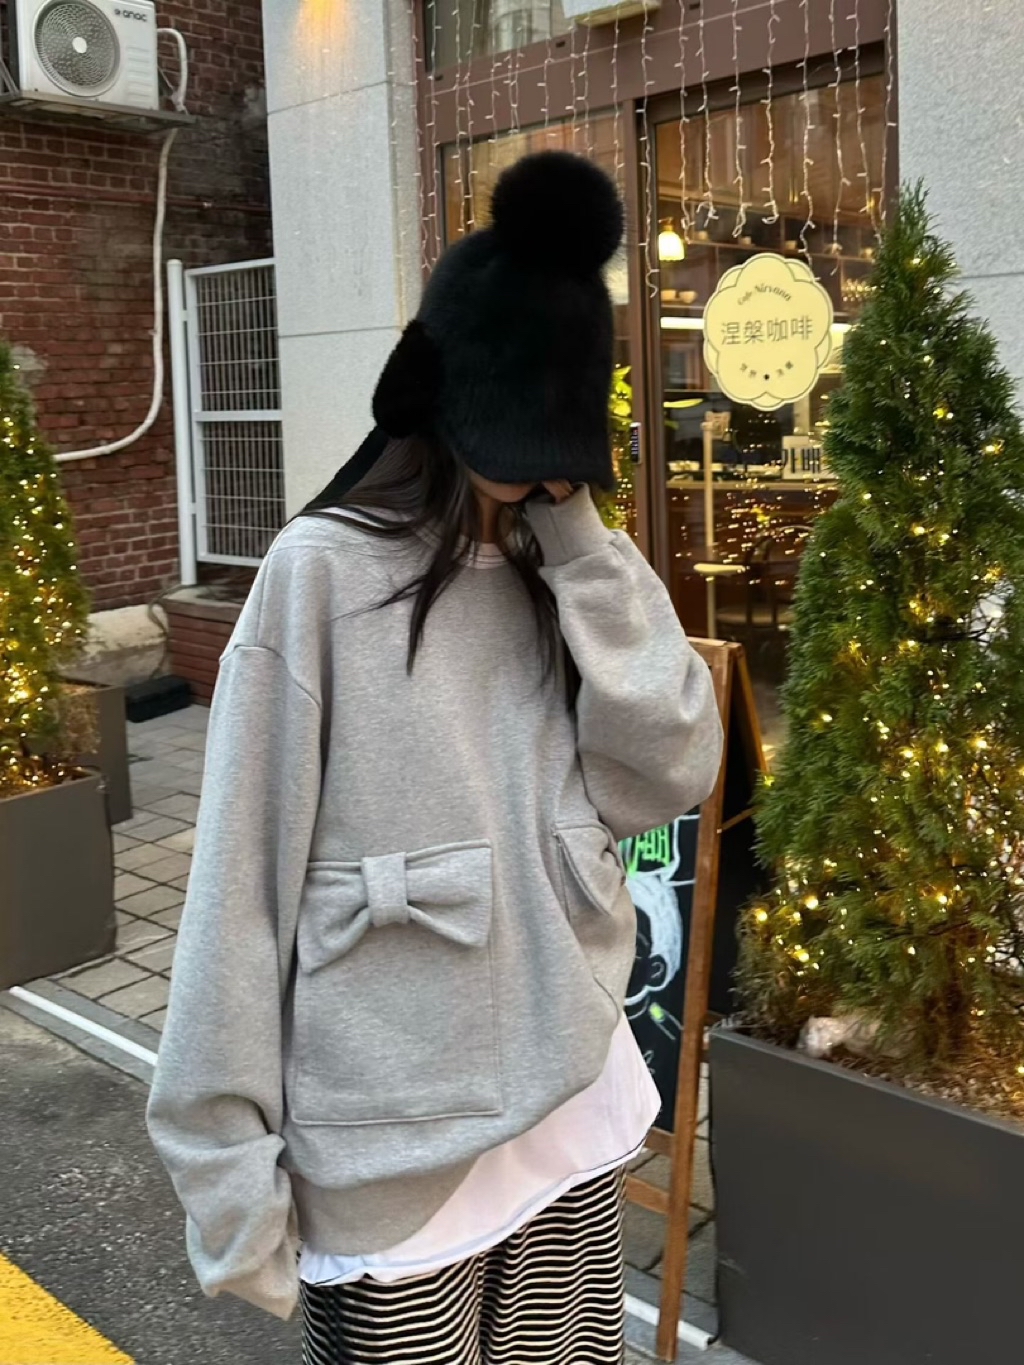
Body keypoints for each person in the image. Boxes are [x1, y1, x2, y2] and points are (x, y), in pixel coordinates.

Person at [147, 151, 723, 1365]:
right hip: (394, 1140)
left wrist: (579, 535)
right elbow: (238, 888)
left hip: (570, 1102)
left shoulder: (562, 569)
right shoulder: (322, 575)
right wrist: (226, 1164)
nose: (541, 471)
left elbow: (667, 772)